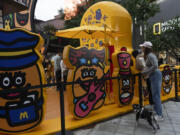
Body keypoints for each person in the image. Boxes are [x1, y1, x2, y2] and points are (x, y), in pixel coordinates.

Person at [140, 41, 164, 121]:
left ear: (146, 48)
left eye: (143, 47)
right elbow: (151, 66)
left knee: (156, 96)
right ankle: (157, 111)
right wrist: (146, 72)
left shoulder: (150, 55)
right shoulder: (149, 55)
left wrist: (145, 72)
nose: (142, 48)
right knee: (155, 95)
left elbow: (155, 66)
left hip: (155, 75)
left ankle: (160, 115)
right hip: (153, 75)